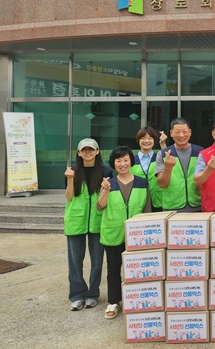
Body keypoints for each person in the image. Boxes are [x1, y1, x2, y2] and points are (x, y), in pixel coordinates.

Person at [96, 146, 150, 320]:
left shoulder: (142, 182)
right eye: (118, 160)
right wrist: (105, 191)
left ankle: (139, 300)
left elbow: (147, 209)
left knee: (138, 270)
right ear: (114, 163)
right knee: (113, 269)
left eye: (126, 160)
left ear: (131, 162)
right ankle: (114, 301)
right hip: (113, 233)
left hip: (137, 235)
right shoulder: (108, 183)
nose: (123, 164)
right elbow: (99, 206)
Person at [64, 138, 112, 311]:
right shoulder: (72, 172)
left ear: (97, 151)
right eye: (84, 150)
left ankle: (92, 294)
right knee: (75, 261)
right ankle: (77, 295)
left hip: (98, 221)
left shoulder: (106, 172)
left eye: (91, 149)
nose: (88, 152)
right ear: (78, 153)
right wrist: (70, 180)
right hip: (76, 220)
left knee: (97, 261)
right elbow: (69, 197)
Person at [156, 117, 203, 212]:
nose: (181, 135)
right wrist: (168, 168)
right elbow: (162, 184)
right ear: (171, 133)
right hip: (172, 208)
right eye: (177, 132)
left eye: (184, 131)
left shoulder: (200, 152)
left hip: (198, 205)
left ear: (190, 132)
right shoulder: (163, 154)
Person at [131, 127, 167, 212]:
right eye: (143, 138)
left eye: (150, 138)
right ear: (138, 140)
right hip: (138, 201)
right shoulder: (131, 160)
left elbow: (168, 162)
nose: (146, 141)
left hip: (158, 202)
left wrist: (163, 144)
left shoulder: (159, 158)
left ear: (154, 140)